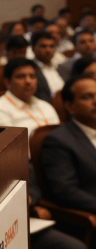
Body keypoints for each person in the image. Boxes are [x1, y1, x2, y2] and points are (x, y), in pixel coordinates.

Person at [41, 68, 96, 215]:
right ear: (69, 106)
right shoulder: (58, 141)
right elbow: (66, 191)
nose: (95, 101)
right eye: (87, 97)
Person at [0, 58, 59, 137]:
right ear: (7, 82)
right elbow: (8, 148)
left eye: (32, 76)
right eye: (21, 77)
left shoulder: (46, 106)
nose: (28, 81)